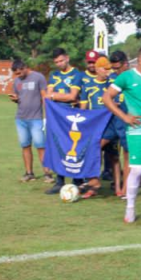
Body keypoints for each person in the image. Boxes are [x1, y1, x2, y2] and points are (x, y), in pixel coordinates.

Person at [102, 46, 141, 223]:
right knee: (137, 169)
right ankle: (130, 208)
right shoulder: (126, 77)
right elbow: (107, 98)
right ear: (140, 60)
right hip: (137, 131)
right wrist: (124, 116)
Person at [44, 48, 86, 194]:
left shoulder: (76, 75)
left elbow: (73, 96)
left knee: (73, 147)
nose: (59, 64)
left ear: (67, 58)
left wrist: (55, 96)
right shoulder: (53, 75)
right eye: (56, 62)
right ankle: (59, 181)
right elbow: (47, 94)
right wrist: (59, 95)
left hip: (71, 117)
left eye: (61, 60)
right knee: (57, 147)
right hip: (56, 117)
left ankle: (77, 180)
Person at [76, 55, 115, 198]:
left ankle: (116, 186)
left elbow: (117, 103)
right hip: (94, 126)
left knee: (112, 156)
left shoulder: (113, 84)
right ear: (98, 69)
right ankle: (93, 184)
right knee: (93, 151)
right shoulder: (88, 86)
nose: (108, 72)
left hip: (110, 124)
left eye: (109, 69)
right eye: (106, 69)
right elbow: (83, 108)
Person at [9, 59, 47, 181]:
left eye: (19, 73)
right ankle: (29, 173)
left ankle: (47, 173)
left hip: (36, 119)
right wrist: (15, 98)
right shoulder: (16, 81)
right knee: (25, 146)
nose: (18, 76)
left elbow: (44, 97)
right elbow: (18, 96)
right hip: (20, 119)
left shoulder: (38, 77)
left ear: (25, 67)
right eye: (16, 74)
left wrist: (46, 116)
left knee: (40, 146)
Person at [107, 50, 131, 197]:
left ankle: (126, 188)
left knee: (128, 155)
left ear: (126, 64)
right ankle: (91, 182)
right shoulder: (111, 78)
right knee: (96, 145)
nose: (115, 71)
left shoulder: (133, 77)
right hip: (112, 121)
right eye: (113, 68)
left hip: (127, 121)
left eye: (117, 68)